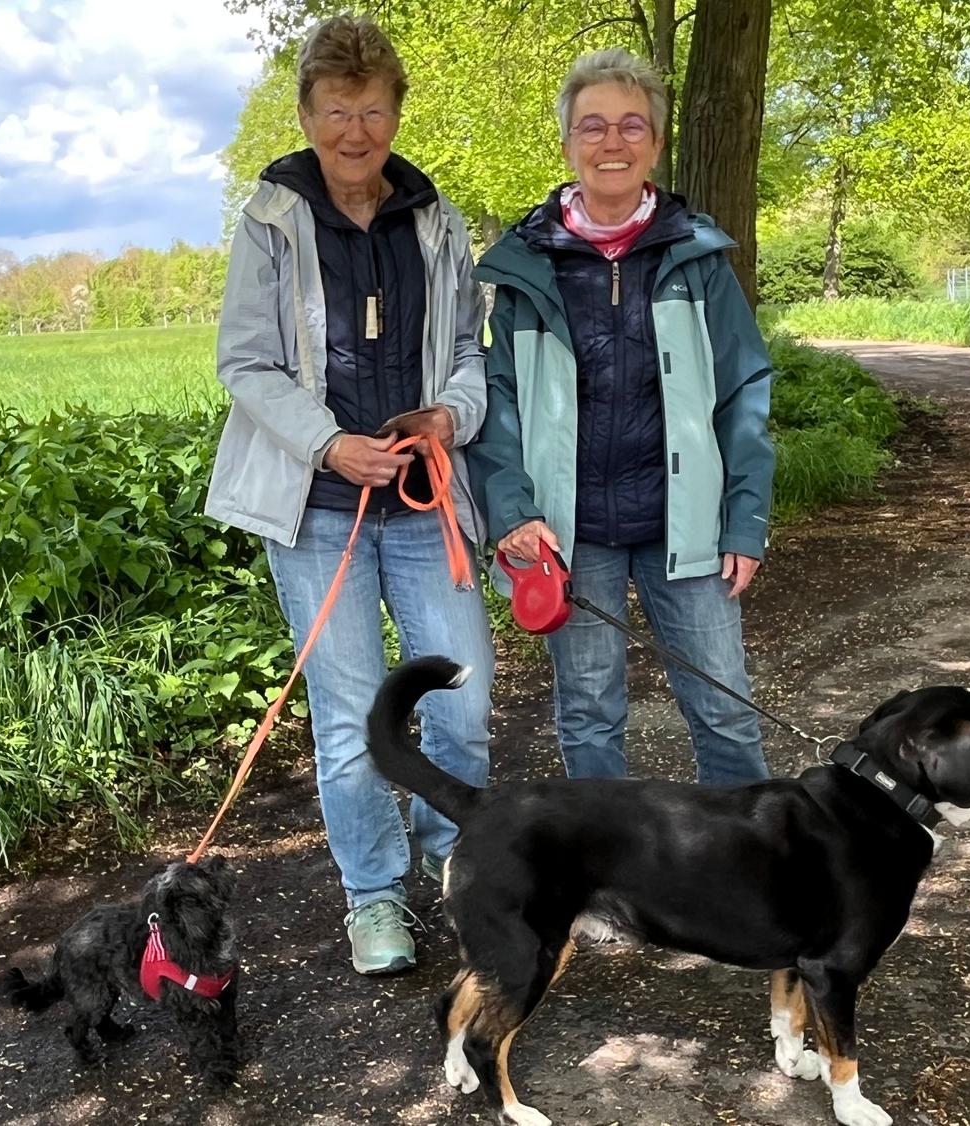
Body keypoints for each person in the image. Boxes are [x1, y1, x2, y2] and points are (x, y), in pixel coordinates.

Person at [204, 15, 494, 976]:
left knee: (461, 697)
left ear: (396, 113)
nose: (356, 132)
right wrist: (331, 445)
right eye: (338, 111)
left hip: (423, 505)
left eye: (373, 110)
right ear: (308, 113)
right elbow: (243, 364)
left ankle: (458, 863)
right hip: (315, 511)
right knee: (347, 714)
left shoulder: (436, 220)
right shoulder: (271, 218)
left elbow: (464, 355)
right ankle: (374, 898)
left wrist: (448, 417)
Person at [470, 47, 775, 786]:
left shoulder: (697, 258)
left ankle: (746, 878)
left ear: (657, 144)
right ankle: (604, 883)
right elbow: (497, 403)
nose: (612, 142)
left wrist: (744, 519)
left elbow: (744, 393)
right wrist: (510, 509)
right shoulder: (525, 266)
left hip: (688, 524)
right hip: (570, 535)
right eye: (593, 126)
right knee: (587, 714)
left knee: (725, 709)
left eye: (631, 125)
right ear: (569, 142)